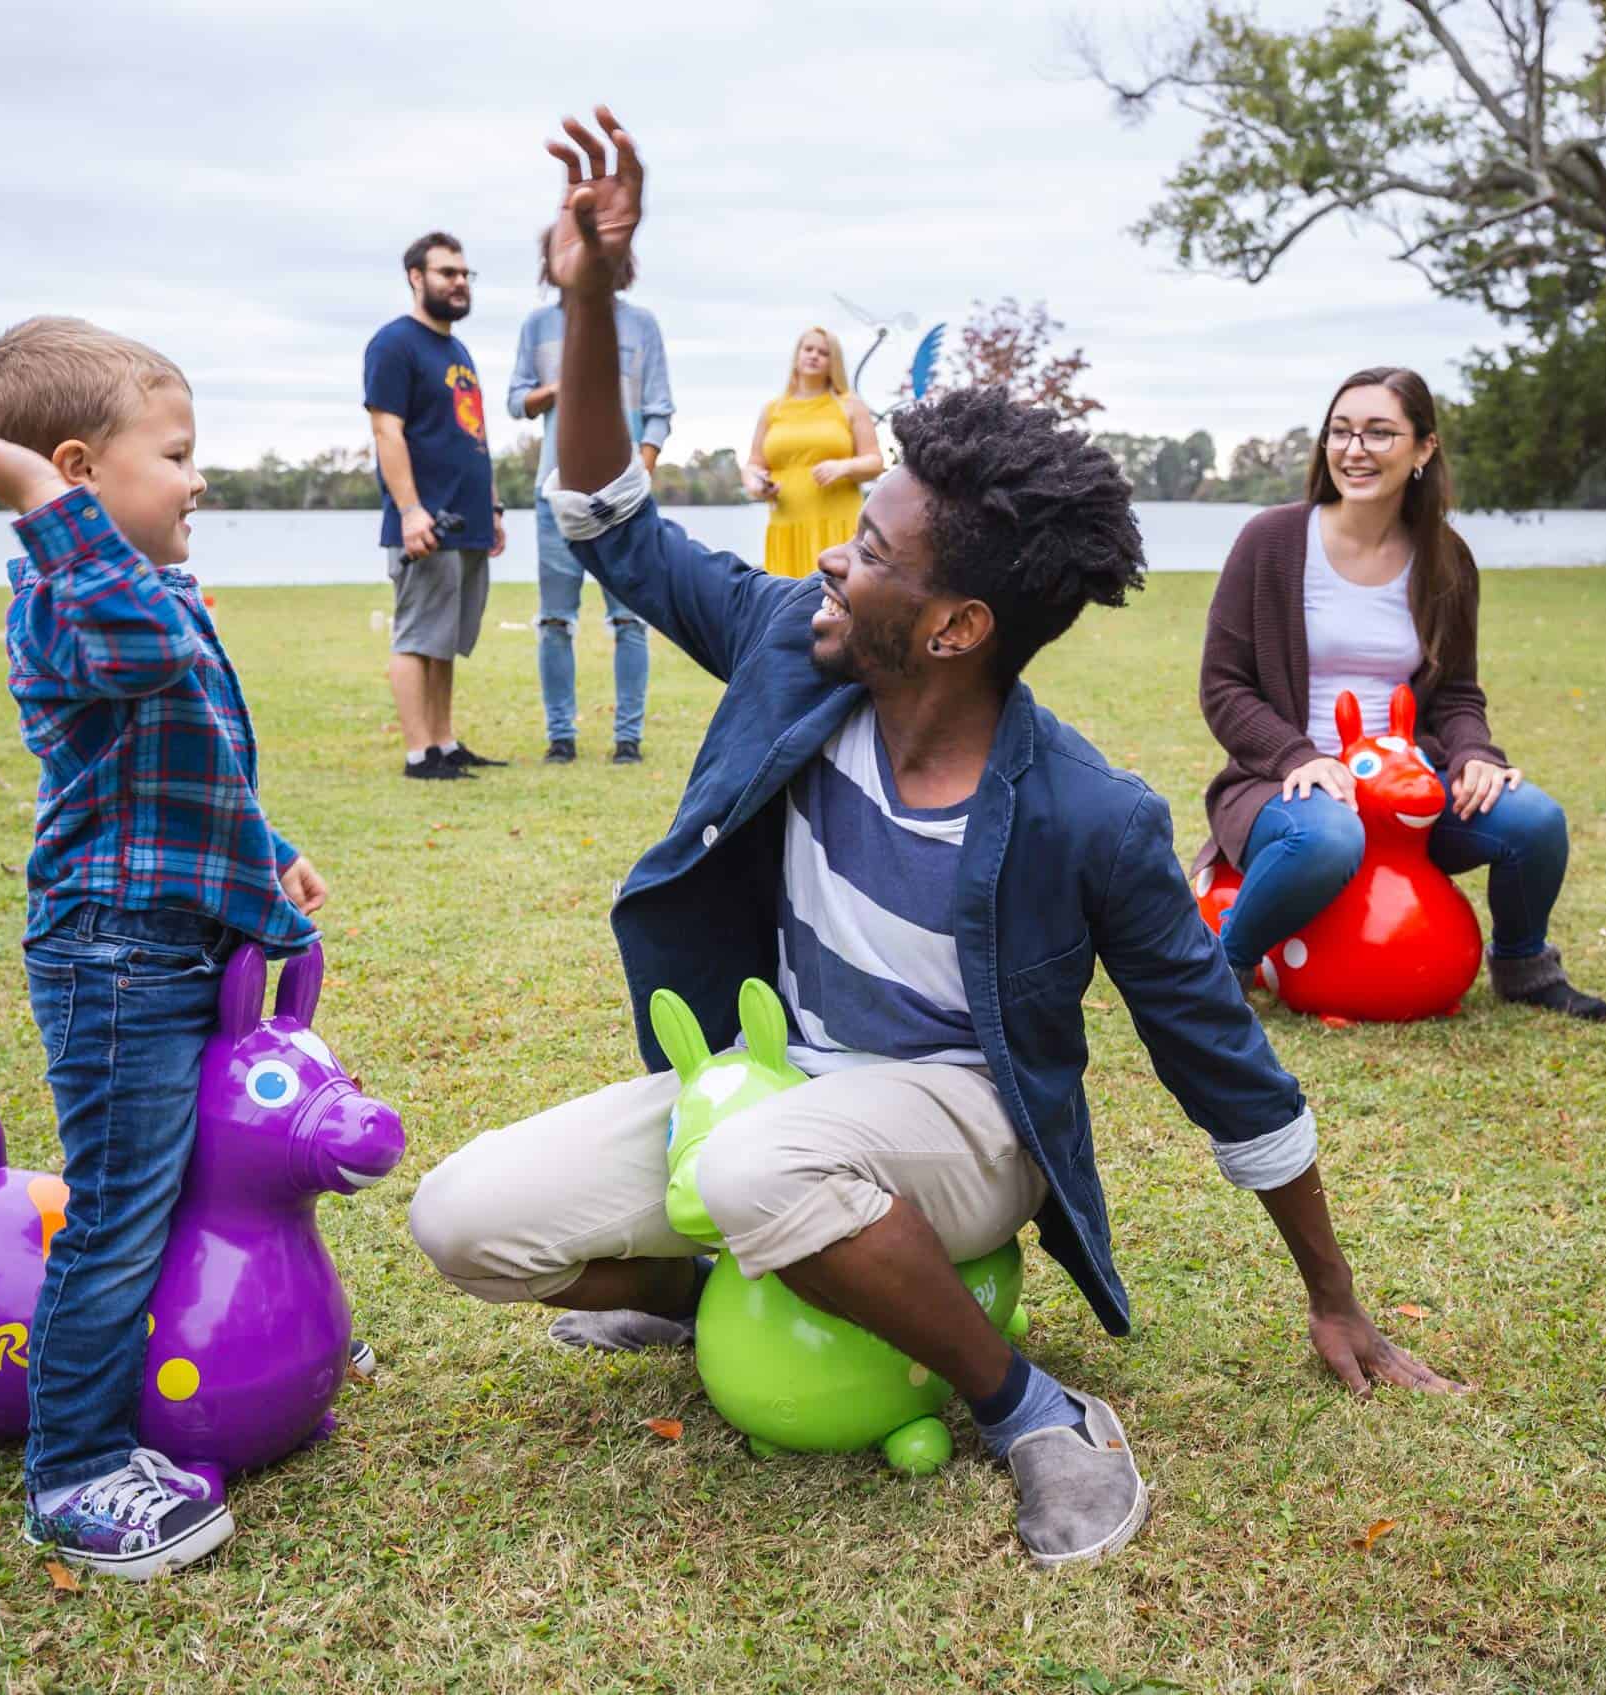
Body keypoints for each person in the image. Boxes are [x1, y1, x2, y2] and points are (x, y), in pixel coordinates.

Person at [409, 110, 1463, 1570]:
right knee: (465, 1219)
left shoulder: (1084, 810)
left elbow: (1218, 1051)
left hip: (961, 1124)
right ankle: (695, 1282)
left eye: (876, 548)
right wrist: (591, 298)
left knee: (760, 1169)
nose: (834, 552)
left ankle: (1034, 1408)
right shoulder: (798, 641)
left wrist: (1334, 1295)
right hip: (772, 1086)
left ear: (959, 625)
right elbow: (607, 519)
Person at [0, 315, 330, 1578]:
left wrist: (263, 851)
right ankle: (74, 1467)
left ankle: (245, 1337)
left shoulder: (138, 587)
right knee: (118, 1215)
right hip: (112, 960)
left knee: (198, 1172)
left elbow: (190, 755)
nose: (201, 477)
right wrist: (44, 508)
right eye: (180, 452)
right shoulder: (68, 601)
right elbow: (145, 664)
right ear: (83, 471)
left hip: (180, 935)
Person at [1195, 366, 1606, 1021]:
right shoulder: (1270, 541)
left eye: (1380, 433)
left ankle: (1524, 966)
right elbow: (1222, 685)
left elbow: (1457, 692)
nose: (1355, 449)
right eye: (1341, 431)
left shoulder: (1446, 558)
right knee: (1328, 838)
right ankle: (1221, 971)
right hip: (1287, 784)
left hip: (1408, 785)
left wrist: (1476, 754)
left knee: (1535, 822)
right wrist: (1299, 757)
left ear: (1423, 449)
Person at [507, 231, 674, 764]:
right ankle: (561, 738)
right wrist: (565, 385)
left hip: (622, 500)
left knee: (630, 619)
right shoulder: (537, 326)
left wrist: (637, 478)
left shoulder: (642, 324)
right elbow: (517, 400)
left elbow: (659, 409)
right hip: (553, 496)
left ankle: (629, 739)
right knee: (555, 620)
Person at [364, 231, 510, 781]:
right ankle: (418, 753)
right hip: (426, 519)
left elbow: (476, 433)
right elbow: (386, 430)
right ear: (415, 277)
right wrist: (409, 511)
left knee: (445, 640)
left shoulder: (457, 350)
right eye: (448, 272)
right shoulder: (394, 344)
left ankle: (444, 742)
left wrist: (493, 509)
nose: (459, 282)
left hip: (468, 519)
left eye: (465, 274)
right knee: (417, 636)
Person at [742, 327, 883, 578]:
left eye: (823, 352)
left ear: (833, 362)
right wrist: (756, 485)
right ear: (797, 356)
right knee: (787, 603)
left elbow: (875, 462)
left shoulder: (849, 405)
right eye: (808, 349)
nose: (814, 356)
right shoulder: (773, 410)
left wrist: (844, 467)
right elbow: (753, 464)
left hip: (838, 525)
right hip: (786, 526)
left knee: (839, 605)